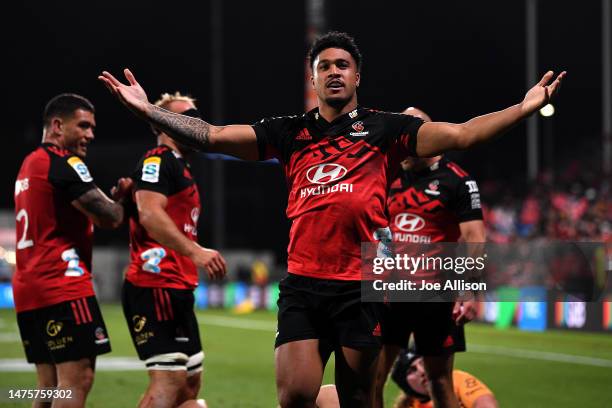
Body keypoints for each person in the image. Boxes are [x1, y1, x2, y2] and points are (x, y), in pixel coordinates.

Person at [99, 31, 565, 407]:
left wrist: (522, 108)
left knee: (362, 395)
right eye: (324, 66)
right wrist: (148, 111)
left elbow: (463, 134)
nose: (334, 72)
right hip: (304, 284)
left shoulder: (388, 130)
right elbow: (214, 135)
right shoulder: (289, 132)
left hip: (361, 286)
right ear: (313, 79)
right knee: (296, 395)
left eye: (342, 65)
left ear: (357, 76)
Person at [13, 93, 128, 408]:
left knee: (48, 387)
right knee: (77, 381)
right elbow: (110, 217)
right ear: (57, 126)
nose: (90, 135)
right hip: (61, 286)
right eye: (84, 126)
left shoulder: (29, 164)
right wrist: (125, 198)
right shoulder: (63, 162)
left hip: (29, 288)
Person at [374, 107, 486, 408]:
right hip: (392, 292)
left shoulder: (458, 181)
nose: (403, 146)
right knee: (373, 377)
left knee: (438, 379)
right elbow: (380, 229)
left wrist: (470, 288)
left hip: (437, 296)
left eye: (410, 139)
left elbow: (474, 237)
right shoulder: (389, 176)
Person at [121, 92, 226, 408]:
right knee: (167, 385)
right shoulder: (158, 159)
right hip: (154, 284)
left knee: (189, 388)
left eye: (196, 115)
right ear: (163, 123)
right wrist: (196, 252)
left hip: (177, 286)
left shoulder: (180, 167)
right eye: (186, 115)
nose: (195, 121)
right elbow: (151, 214)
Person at [315, 348, 498, 408]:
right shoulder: (408, 405)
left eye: (421, 363)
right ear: (404, 383)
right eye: (411, 370)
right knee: (332, 393)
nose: (421, 371)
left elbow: (486, 404)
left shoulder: (454, 380)